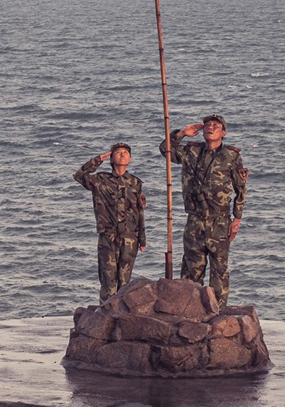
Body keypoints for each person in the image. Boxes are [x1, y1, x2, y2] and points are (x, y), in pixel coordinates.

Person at [160, 114, 248, 305]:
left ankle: (217, 310)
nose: (210, 127)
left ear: (223, 133)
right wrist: (182, 133)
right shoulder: (191, 151)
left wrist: (237, 219)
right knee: (192, 268)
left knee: (219, 269)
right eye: (207, 124)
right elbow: (165, 150)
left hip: (219, 220)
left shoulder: (231, 156)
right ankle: (189, 309)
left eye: (216, 125)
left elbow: (240, 189)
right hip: (195, 219)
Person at [74, 143, 147, 302]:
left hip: (130, 237)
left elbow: (139, 211)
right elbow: (79, 175)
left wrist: (142, 239)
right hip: (108, 236)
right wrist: (98, 159)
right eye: (118, 152)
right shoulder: (100, 180)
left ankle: (121, 316)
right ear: (112, 158)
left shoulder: (135, 182)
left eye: (126, 152)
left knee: (125, 280)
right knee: (108, 279)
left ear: (130, 158)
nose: (123, 154)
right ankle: (105, 315)